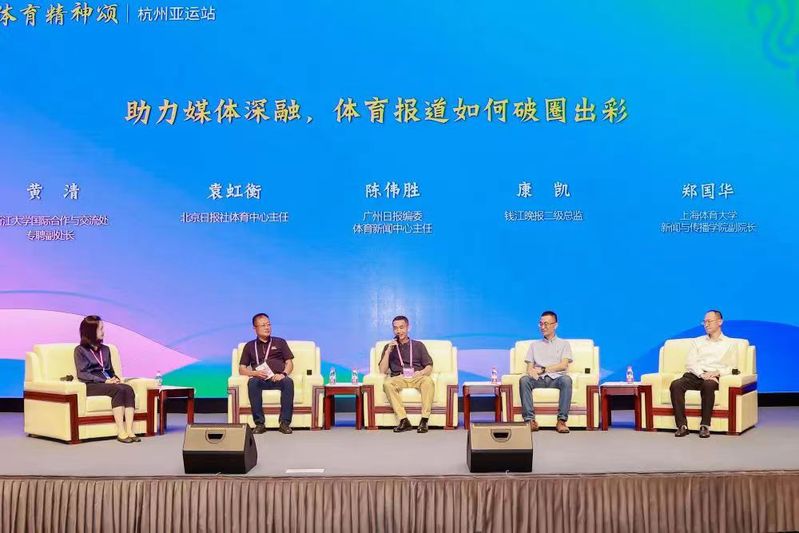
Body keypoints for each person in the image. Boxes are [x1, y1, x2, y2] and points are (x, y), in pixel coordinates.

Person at [670, 310, 738, 439]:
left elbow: (733, 368)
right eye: (704, 322)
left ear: (720, 322)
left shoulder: (730, 344)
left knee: (708, 385)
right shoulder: (697, 341)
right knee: (676, 385)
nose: (706, 324)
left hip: (713, 377)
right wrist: (702, 374)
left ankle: (705, 425)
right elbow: (690, 363)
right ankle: (682, 426)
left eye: (709, 321)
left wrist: (717, 372)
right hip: (696, 375)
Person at [73, 315, 140, 443]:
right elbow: (82, 374)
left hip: (107, 382)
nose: (103, 332)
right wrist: (104, 381)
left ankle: (130, 430)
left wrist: (116, 379)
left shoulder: (105, 349)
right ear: (91, 331)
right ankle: (121, 431)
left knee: (128, 389)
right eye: (100, 329)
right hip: (91, 384)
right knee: (118, 390)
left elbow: (110, 371)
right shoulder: (80, 350)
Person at [238, 313, 294, 434]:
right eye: (263, 325)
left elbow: (289, 363)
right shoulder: (249, 346)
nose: (267, 327)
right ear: (255, 328)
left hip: (278, 378)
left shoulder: (280, 342)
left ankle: (284, 423)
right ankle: (259, 424)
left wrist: (283, 374)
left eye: (269, 324)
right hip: (260, 379)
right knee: (252, 383)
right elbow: (241, 369)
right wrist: (255, 373)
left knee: (288, 382)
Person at [518, 310, 573, 433]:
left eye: (546, 324)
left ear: (555, 325)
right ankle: (530, 420)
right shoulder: (534, 345)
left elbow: (563, 365)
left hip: (557, 379)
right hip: (539, 380)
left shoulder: (564, 344)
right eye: (541, 324)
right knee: (524, 380)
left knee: (567, 380)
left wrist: (543, 369)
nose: (543, 327)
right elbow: (529, 367)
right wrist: (532, 372)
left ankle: (561, 421)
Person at [378, 315, 434, 433]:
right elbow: (382, 370)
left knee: (428, 381)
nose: (399, 331)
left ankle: (424, 420)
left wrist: (421, 373)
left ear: (408, 327)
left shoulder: (418, 345)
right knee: (387, 384)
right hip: (399, 377)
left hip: (416, 376)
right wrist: (388, 352)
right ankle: (404, 421)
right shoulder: (389, 347)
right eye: (396, 328)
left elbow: (429, 367)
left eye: (401, 327)